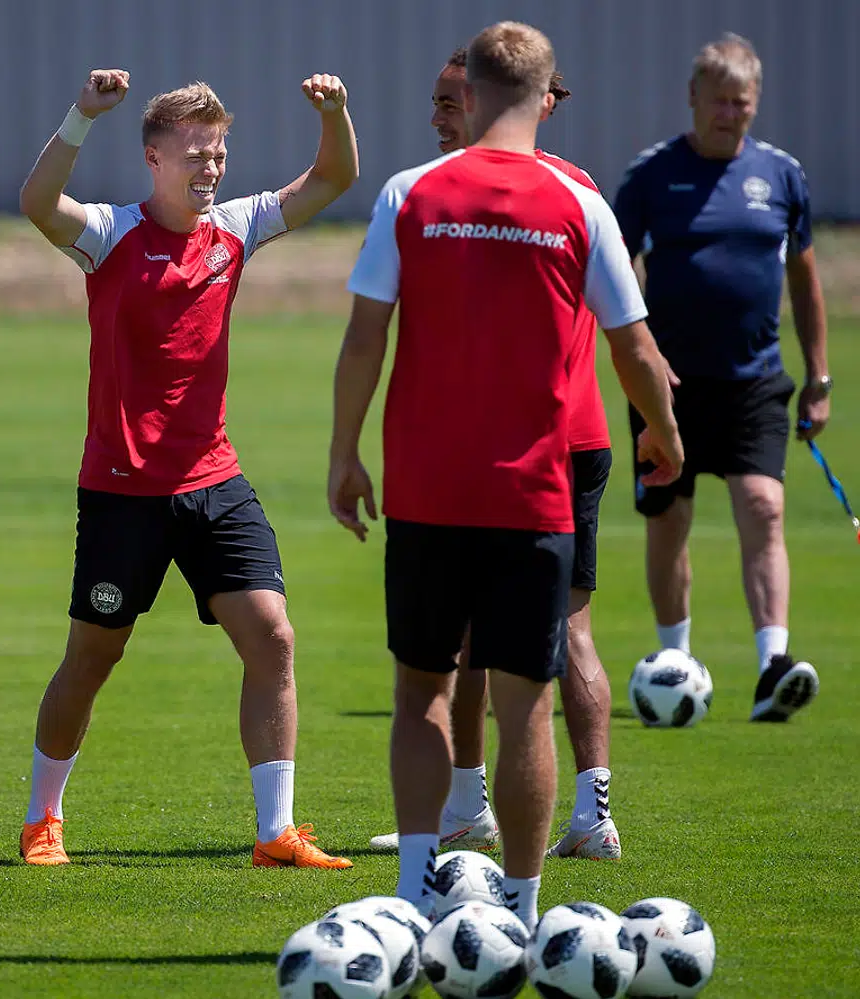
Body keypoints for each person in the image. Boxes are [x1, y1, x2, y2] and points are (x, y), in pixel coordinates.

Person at [329, 22, 681, 928]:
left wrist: (344, 450)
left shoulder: (413, 192)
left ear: (473, 92)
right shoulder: (579, 202)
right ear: (546, 97)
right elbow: (635, 345)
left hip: (425, 490)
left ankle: (413, 894)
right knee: (527, 706)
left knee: (422, 692)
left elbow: (366, 333)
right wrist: (664, 431)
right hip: (535, 493)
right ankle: (521, 911)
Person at [16, 69, 358, 868]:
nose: (211, 168)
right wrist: (80, 116)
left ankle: (275, 832)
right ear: (154, 158)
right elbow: (37, 203)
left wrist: (334, 115)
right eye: (197, 154)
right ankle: (43, 819)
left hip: (214, 482)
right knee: (93, 657)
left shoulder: (236, 227)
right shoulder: (108, 232)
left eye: (220, 153)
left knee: (272, 637)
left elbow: (335, 177)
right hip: (121, 495)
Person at [369, 48, 625, 861]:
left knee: (553, 636)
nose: (442, 118)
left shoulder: (507, 194)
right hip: (534, 447)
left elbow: (629, 335)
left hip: (546, 447)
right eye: (438, 102)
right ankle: (477, 807)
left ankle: (583, 813)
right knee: (487, 641)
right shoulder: (544, 193)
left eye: (453, 102)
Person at [614, 33, 829, 722]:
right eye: (718, 102)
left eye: (742, 103)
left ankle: (773, 666)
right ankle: (675, 657)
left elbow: (805, 276)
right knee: (669, 521)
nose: (729, 114)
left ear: (754, 103)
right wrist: (639, 358)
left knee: (764, 507)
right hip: (666, 385)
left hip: (756, 380)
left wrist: (818, 376)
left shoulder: (782, 175)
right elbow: (615, 274)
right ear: (693, 99)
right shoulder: (650, 177)